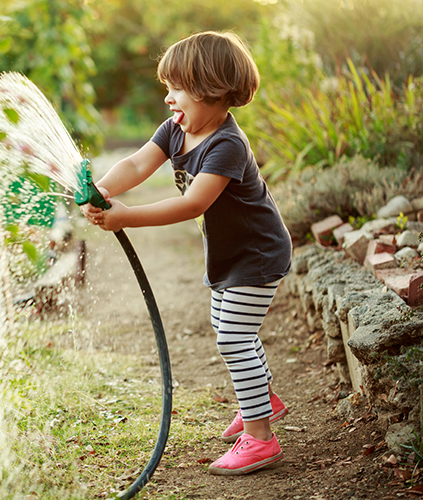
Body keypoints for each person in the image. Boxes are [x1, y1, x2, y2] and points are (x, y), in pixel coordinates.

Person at [82, 31, 292, 475]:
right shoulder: (177, 130)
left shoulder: (226, 145)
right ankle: (263, 399)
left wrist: (127, 217)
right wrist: (103, 188)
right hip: (230, 254)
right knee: (228, 326)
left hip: (257, 254)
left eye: (175, 88)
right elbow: (137, 164)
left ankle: (260, 437)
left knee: (233, 335)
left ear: (210, 89)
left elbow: (192, 203)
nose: (167, 99)